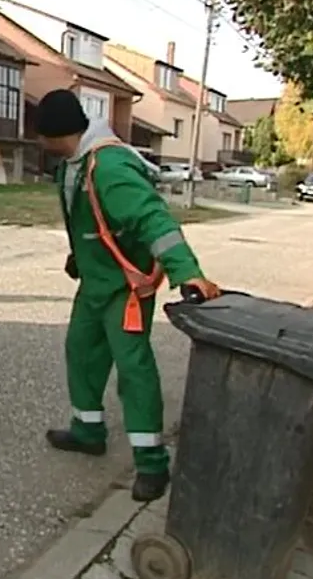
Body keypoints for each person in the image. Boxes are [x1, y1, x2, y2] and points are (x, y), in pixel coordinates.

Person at [34, 89, 223, 502]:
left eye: (38, 135)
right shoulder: (75, 163)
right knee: (81, 352)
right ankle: (88, 431)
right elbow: (92, 219)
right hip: (95, 284)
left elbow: (152, 221)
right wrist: (79, 256)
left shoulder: (108, 166)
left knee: (133, 370)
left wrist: (187, 273)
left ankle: (152, 464)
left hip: (125, 289)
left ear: (50, 135)